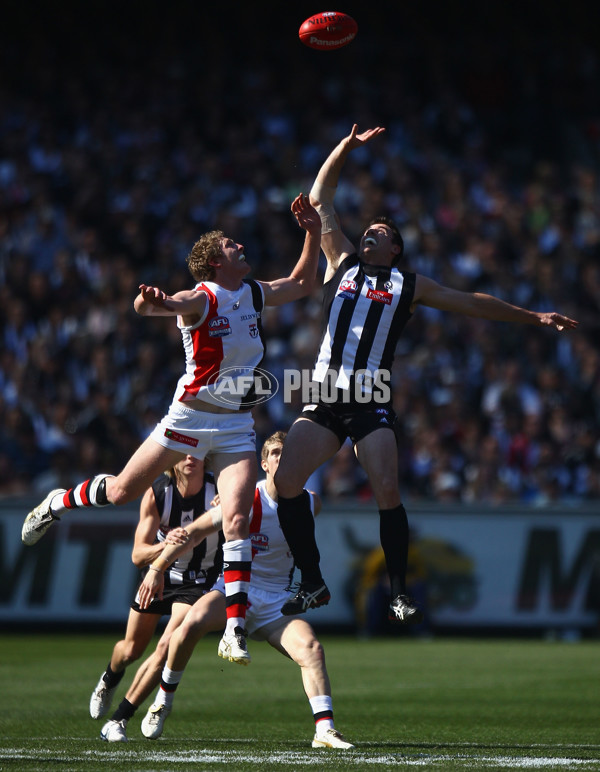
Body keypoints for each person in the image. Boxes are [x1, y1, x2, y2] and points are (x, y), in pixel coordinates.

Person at [273, 124, 579, 625]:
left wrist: (535, 316)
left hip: (370, 395)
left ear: (395, 249)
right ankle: (312, 580)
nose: (369, 233)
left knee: (387, 490)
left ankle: (398, 590)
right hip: (324, 392)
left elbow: (472, 303)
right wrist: (346, 148)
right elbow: (321, 197)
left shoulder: (408, 284)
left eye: (381, 233)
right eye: (368, 229)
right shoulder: (341, 262)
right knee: (286, 482)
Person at [22, 193, 322, 666]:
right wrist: (150, 301)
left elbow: (306, 280)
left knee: (237, 519)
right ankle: (57, 502)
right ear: (212, 262)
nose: (239, 245)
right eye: (229, 244)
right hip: (189, 418)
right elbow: (159, 307)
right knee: (121, 492)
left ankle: (234, 630)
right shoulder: (201, 297)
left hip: (236, 425)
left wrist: (312, 229)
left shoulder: (253, 293)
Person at [101, 432, 354, 750]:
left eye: (287, 453)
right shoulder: (246, 499)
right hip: (236, 593)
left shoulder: (310, 502)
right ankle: (163, 701)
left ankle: (325, 730)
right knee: (190, 625)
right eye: (275, 453)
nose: (281, 458)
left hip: (276, 601)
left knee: (312, 650)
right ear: (263, 464)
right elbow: (192, 533)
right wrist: (155, 569)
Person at [89, 455, 222, 724]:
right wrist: (166, 545)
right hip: (157, 576)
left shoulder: (220, 489)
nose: (190, 458)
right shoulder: (158, 493)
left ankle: (122, 717)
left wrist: (230, 501)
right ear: (171, 459)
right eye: (183, 452)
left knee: (166, 646)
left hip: (197, 581)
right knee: (130, 651)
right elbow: (138, 555)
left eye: (196, 452)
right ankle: (109, 678)